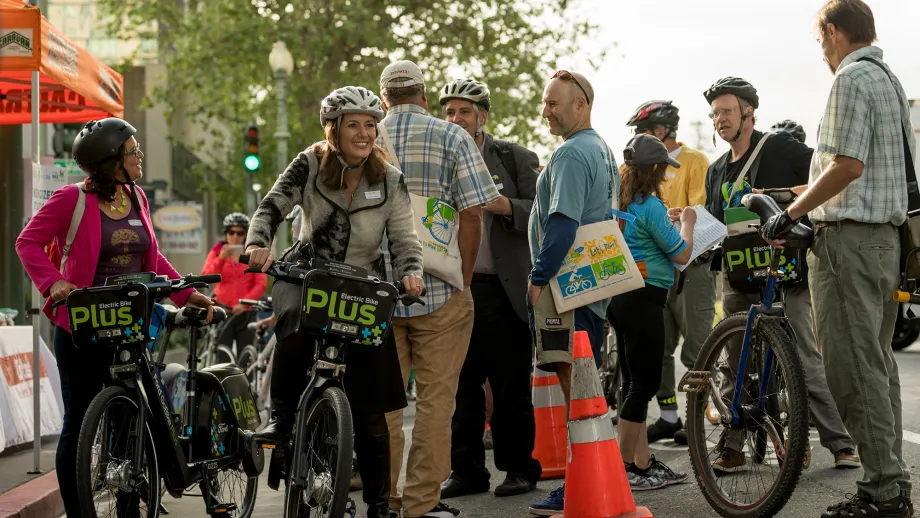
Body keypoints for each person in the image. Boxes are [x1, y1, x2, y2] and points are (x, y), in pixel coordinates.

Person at [15, 118, 214, 517]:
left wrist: (185, 293)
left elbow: (151, 259)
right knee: (79, 424)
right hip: (82, 327)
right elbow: (28, 242)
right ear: (110, 160)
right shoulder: (70, 200)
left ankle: (128, 507)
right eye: (133, 151)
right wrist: (53, 282)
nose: (140, 157)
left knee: (128, 419)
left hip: (129, 323)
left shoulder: (136, 197)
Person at [762, 1, 913, 515]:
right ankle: (891, 481)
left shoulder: (849, 80)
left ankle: (882, 492)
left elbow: (847, 165)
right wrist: (794, 193)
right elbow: (859, 171)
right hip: (881, 242)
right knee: (876, 367)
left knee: (851, 370)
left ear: (831, 32)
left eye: (820, 39)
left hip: (848, 243)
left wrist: (790, 213)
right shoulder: (888, 80)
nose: (821, 50)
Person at [245, 86, 425, 518]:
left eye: (370, 125)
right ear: (333, 129)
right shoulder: (308, 164)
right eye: (353, 125)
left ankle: (380, 507)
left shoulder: (391, 179)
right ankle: (283, 417)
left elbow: (405, 239)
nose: (363, 134)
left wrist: (411, 272)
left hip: (363, 286)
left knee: (371, 411)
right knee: (289, 318)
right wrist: (257, 242)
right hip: (308, 275)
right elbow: (270, 207)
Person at [703, 77, 858, 474]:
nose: (719, 119)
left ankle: (840, 443)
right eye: (715, 112)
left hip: (785, 272)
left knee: (805, 356)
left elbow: (825, 178)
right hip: (737, 277)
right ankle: (733, 446)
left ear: (748, 112)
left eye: (727, 111)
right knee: (735, 362)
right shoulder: (717, 168)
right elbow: (716, 221)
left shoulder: (778, 147)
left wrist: (791, 200)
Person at [376, 60, 499, 518]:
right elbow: (473, 213)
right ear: (425, 96)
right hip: (439, 290)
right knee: (435, 403)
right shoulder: (453, 136)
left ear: (383, 96)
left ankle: (384, 498)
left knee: (384, 404)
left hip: (379, 295)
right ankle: (422, 503)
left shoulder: (366, 136)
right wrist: (462, 279)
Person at [437, 78, 542, 499]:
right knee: (461, 386)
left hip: (504, 289)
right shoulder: (439, 157)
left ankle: (519, 468)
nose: (455, 119)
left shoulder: (515, 157)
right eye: (449, 112)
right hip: (454, 288)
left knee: (510, 385)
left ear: (483, 116)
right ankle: (466, 471)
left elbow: (541, 210)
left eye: (464, 111)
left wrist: (503, 206)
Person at [526, 70, 615, 516]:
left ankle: (580, 484)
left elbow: (562, 224)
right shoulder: (599, 147)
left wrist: (538, 276)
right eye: (545, 103)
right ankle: (591, 478)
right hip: (589, 289)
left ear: (580, 104)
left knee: (575, 389)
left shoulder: (571, 154)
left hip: (567, 291)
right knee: (584, 387)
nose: (546, 111)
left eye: (553, 103)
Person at [624, 100, 715, 445]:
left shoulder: (694, 160)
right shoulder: (636, 165)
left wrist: (681, 216)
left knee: (697, 349)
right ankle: (668, 416)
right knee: (658, 350)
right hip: (655, 270)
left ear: (660, 133)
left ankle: (695, 419)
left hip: (690, 267)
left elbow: (700, 208)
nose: (635, 138)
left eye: (641, 132)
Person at [609, 134, 695, 490]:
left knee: (632, 383)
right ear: (656, 170)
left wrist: (670, 221)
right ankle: (623, 468)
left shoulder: (623, 202)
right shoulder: (652, 206)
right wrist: (688, 221)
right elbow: (681, 254)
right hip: (646, 298)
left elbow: (648, 236)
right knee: (643, 385)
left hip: (619, 295)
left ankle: (642, 465)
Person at [201, 212, 267, 355]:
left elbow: (261, 284)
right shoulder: (217, 251)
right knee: (222, 355)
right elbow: (206, 276)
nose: (235, 237)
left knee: (247, 354)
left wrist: (244, 304)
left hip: (246, 312)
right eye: (231, 232)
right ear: (226, 234)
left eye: (240, 233)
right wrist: (221, 259)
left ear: (246, 235)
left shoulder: (252, 254)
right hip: (223, 310)